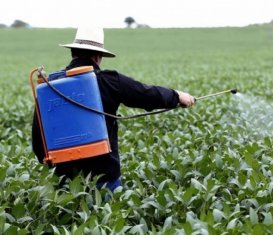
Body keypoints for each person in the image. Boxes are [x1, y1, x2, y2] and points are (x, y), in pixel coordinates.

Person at [32, 28, 195, 192]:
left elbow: (39, 144)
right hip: (104, 181)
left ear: (73, 53)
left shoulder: (49, 88)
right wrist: (176, 96)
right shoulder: (109, 81)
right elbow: (146, 94)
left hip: (65, 184)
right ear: (98, 57)